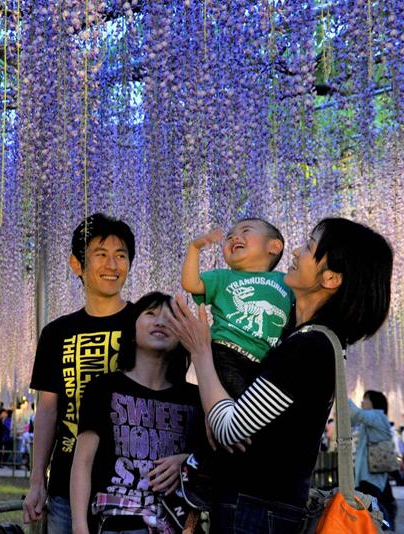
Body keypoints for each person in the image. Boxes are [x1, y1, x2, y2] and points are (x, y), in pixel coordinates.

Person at [168, 217, 393, 533]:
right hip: (265, 506)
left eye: (309, 246)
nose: (295, 252)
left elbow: (231, 429)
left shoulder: (309, 348)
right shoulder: (311, 340)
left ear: (330, 278)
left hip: (255, 509)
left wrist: (201, 351)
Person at [24, 213, 137, 534]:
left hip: (132, 489)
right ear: (77, 265)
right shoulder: (57, 333)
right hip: (65, 484)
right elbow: (47, 409)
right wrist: (37, 482)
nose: (112, 266)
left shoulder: (146, 323)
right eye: (100, 255)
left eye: (121, 256)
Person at [71, 293, 204, 534]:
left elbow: (211, 459)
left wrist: (186, 462)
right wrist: (79, 525)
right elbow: (83, 461)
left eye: (171, 318)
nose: (160, 322)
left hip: (174, 523)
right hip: (115, 522)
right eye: (151, 314)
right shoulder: (103, 389)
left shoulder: (195, 399)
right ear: (132, 329)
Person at [181, 218, 291, 397]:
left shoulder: (286, 282)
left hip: (264, 362)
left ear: (274, 247)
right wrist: (194, 248)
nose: (234, 238)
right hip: (226, 353)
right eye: (229, 236)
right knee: (245, 410)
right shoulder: (222, 277)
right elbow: (190, 284)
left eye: (245, 231)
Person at [349, 390, 397, 530]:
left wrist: (343, 396)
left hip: (370, 475)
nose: (362, 402)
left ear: (374, 402)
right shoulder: (372, 420)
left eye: (365, 399)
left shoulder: (377, 416)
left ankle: (384, 527)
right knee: (374, 504)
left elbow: (354, 414)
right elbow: (352, 419)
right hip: (370, 473)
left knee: (372, 505)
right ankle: (385, 527)